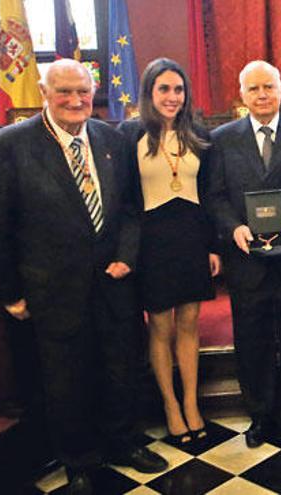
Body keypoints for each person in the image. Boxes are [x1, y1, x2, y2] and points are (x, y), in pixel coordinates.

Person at [0, 59, 167, 494]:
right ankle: (79, 459)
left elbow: (131, 210)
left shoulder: (111, 138)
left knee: (121, 371)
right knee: (67, 382)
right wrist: (8, 293)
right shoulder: (9, 145)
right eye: (64, 91)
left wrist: (126, 255)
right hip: (53, 290)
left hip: (114, 284)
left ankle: (122, 442)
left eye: (83, 91)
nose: (76, 100)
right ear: (44, 92)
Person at [207, 60, 281, 447]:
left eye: (268, 87)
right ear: (241, 94)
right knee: (251, 338)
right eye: (253, 88)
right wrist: (232, 227)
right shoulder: (221, 138)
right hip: (246, 259)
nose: (261, 95)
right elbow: (216, 195)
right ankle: (260, 414)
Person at [118, 58, 219, 446]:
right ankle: (170, 406)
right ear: (149, 92)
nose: (172, 97)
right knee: (160, 326)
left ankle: (192, 403)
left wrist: (212, 246)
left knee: (190, 324)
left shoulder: (198, 134)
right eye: (164, 89)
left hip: (191, 237)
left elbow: (208, 195)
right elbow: (125, 200)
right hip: (152, 241)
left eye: (178, 89)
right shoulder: (130, 135)